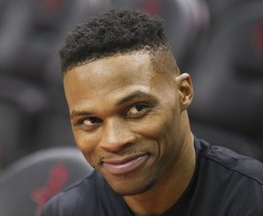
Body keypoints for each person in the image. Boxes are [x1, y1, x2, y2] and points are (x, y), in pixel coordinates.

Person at [41, 8, 263, 216]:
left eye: (137, 109)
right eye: (90, 121)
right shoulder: (65, 211)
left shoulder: (253, 200)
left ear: (183, 92)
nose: (113, 141)